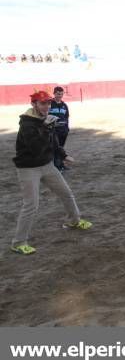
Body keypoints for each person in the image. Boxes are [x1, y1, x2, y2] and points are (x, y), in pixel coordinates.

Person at [11, 91, 92, 255]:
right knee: (31, 205)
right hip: (28, 168)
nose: (47, 106)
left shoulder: (45, 120)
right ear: (34, 104)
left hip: (47, 165)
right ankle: (18, 243)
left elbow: (53, 142)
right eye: (42, 103)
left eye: (48, 103)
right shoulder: (27, 124)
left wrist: (63, 155)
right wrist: (47, 127)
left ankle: (74, 221)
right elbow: (36, 148)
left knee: (66, 193)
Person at [50, 86, 70, 172]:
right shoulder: (49, 104)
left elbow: (66, 117)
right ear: (54, 93)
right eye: (58, 94)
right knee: (55, 148)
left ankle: (61, 164)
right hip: (53, 131)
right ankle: (57, 166)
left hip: (63, 131)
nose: (60, 96)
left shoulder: (64, 105)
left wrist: (67, 128)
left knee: (61, 148)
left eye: (61, 94)